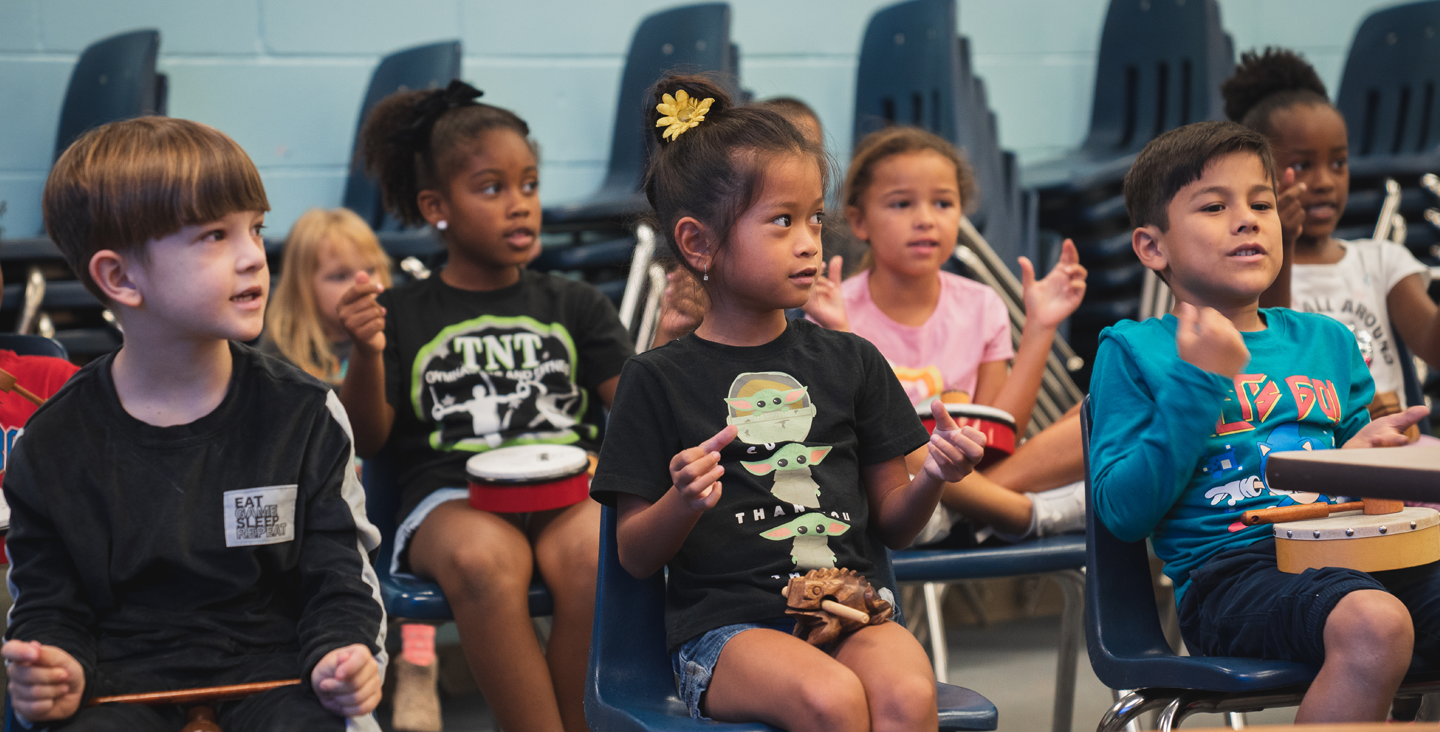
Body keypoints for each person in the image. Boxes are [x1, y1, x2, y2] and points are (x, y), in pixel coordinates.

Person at [590, 75, 987, 732]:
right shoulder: (655, 381)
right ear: (699, 244)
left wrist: (936, 479)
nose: (810, 242)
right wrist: (681, 502)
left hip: (852, 607)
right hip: (725, 635)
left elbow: (895, 524)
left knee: (907, 697)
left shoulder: (850, 358)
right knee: (830, 698)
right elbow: (634, 554)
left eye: (815, 219)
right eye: (781, 222)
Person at [4, 116, 386, 731]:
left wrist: (342, 653)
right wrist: (57, 664)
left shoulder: (305, 415)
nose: (253, 257)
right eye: (214, 236)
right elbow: (49, 605)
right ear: (120, 278)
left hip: (281, 678)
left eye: (255, 229)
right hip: (117, 689)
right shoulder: (52, 443)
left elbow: (339, 579)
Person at [1090, 119, 1430, 724]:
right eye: (1215, 206)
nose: (1246, 219)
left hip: (1356, 558)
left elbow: (1351, 485)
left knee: (1379, 611)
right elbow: (1121, 512)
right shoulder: (1135, 349)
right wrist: (1199, 382)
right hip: (1231, 576)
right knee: (1374, 623)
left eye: (1262, 203)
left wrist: (1367, 454)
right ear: (1152, 247)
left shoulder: (1325, 340)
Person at [337, 80, 632, 732]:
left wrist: (669, 347)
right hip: (452, 496)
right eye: (492, 188)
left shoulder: (574, 303)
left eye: (529, 184)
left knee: (596, 552)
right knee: (483, 560)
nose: (520, 205)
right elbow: (366, 437)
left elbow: (639, 411)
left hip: (568, 488)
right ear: (436, 206)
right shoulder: (399, 313)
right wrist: (363, 351)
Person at [807, 125, 1090, 542]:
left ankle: (971, 510)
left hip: (976, 472)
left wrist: (1040, 327)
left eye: (943, 203)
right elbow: (857, 438)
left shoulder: (981, 304)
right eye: (901, 204)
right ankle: (1018, 513)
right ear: (859, 221)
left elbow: (999, 430)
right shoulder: (834, 311)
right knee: (897, 445)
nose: (925, 219)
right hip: (890, 489)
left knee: (1104, 411)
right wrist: (842, 333)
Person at [1222, 48, 1439, 408]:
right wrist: (1282, 242)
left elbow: (1433, 347)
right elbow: (1273, 359)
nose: (1325, 181)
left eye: (1338, 162)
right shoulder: (1244, 273)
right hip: (1308, 452)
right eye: (1303, 165)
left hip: (1394, 450)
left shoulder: (1383, 262)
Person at [263, 207, 393, 385]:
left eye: (371, 270)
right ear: (303, 287)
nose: (362, 284)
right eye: (341, 276)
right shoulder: (279, 353)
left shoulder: (395, 335)